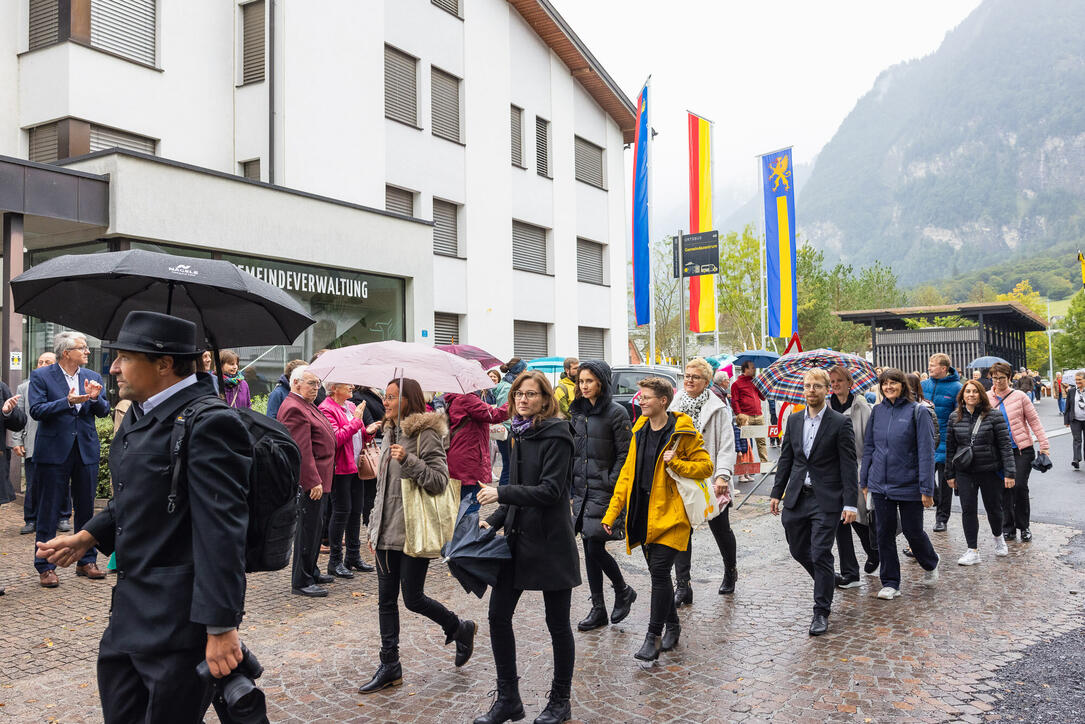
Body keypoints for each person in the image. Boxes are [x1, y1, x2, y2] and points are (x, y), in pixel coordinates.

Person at [37, 311, 251, 724]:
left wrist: (221, 626)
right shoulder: (141, 413)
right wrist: (88, 536)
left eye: (124, 357)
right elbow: (140, 493)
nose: (113, 368)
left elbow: (221, 532)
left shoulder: (210, 422)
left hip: (179, 622)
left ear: (164, 364)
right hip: (130, 613)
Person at [473, 370, 581, 724]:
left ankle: (560, 700)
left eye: (531, 394)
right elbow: (518, 488)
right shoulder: (520, 433)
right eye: (519, 393)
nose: (523, 399)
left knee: (558, 624)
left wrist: (501, 493)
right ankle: (508, 699)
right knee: (498, 616)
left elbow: (550, 491)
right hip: (518, 540)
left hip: (550, 542)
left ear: (545, 399)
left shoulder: (557, 435)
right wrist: (497, 517)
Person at [359, 377, 475, 694]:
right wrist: (372, 526)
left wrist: (408, 460)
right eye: (385, 396)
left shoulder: (425, 433)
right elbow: (382, 489)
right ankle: (390, 665)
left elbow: (439, 481)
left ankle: (459, 627)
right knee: (385, 601)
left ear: (409, 400)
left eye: (393, 397)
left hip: (413, 529)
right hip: (385, 531)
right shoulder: (388, 432)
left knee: (412, 599)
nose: (385, 401)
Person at [602, 377, 713, 662]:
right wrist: (612, 513)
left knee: (661, 573)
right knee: (659, 575)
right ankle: (673, 625)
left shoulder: (682, 432)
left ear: (663, 401)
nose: (641, 400)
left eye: (647, 397)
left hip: (673, 516)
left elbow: (705, 466)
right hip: (644, 514)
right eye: (641, 396)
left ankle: (653, 636)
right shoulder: (639, 430)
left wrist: (676, 462)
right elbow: (627, 475)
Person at [769, 369, 857, 636]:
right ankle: (827, 578)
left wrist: (851, 504)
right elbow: (786, 459)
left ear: (827, 389)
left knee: (820, 552)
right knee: (798, 550)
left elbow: (849, 465)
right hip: (797, 497)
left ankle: (821, 612)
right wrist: (776, 492)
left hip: (826, 499)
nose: (811, 390)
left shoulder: (840, 423)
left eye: (816, 386)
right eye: (807, 386)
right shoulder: (794, 421)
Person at [30, 331, 110, 588]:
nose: (87, 352)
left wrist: (95, 397)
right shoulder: (42, 376)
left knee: (86, 507)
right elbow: (36, 410)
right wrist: (66, 401)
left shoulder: (93, 377)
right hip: (53, 452)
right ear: (66, 353)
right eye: (82, 348)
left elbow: (103, 410)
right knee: (48, 508)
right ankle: (45, 565)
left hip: (85, 449)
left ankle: (86, 560)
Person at [568, 360, 636, 632]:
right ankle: (598, 608)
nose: (584, 386)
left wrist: (612, 481)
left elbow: (625, 453)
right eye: (581, 381)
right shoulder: (577, 413)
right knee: (588, 545)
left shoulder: (616, 413)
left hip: (606, 489)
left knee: (595, 545)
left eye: (589, 381)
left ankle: (623, 589)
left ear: (602, 382)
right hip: (583, 489)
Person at [862, 368, 939, 600]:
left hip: (909, 484)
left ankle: (930, 562)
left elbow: (927, 452)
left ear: (903, 385)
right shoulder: (877, 412)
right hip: (880, 484)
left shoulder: (918, 412)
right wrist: (864, 479)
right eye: (884, 384)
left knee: (912, 531)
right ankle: (891, 582)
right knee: (883, 533)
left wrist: (926, 488)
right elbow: (869, 448)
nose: (888, 387)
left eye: (893, 383)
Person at [671, 358, 738, 605]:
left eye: (695, 377)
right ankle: (683, 585)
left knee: (720, 529)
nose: (689, 380)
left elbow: (727, 446)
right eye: (687, 375)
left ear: (707, 381)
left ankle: (730, 571)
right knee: (681, 531)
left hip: (710, 479)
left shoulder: (718, 408)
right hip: (681, 477)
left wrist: (722, 475)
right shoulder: (675, 404)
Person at [278, 365, 337, 597]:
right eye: (312, 384)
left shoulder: (305, 405)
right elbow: (301, 449)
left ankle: (311, 569)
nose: (316, 388)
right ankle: (301, 579)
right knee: (308, 528)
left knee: (316, 526)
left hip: (322, 476)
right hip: (312, 480)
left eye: (318, 384)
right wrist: (312, 480)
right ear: (296, 383)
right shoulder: (294, 407)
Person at [945, 379, 1015, 565]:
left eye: (975, 391)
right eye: (967, 391)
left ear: (981, 395)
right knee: (968, 509)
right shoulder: (954, 417)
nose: (971, 395)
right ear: (962, 396)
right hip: (965, 471)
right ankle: (972, 550)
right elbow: (950, 448)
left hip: (989, 470)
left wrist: (1009, 472)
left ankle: (998, 537)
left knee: (993, 508)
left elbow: (1005, 446)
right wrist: (949, 474)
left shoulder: (994, 416)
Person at [319, 381, 381, 578]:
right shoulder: (326, 409)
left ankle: (353, 557)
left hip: (355, 465)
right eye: (347, 385)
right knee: (341, 512)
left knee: (356, 510)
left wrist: (368, 432)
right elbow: (336, 439)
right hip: (340, 468)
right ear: (334, 388)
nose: (352, 387)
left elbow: (357, 436)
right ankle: (335, 561)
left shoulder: (351, 406)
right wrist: (356, 422)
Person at [988, 361, 1050, 542]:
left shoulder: (1020, 396)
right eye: (994, 378)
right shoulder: (987, 398)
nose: (998, 382)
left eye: (1001, 378)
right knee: (1004, 489)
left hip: (1022, 449)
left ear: (1009, 378)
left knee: (1020, 486)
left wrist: (1044, 445)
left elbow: (1034, 421)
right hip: (998, 452)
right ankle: (1008, 527)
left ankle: (1024, 526)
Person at [827, 365, 877, 586]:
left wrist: (867, 473)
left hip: (856, 468)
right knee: (840, 521)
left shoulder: (862, 408)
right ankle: (850, 572)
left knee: (859, 517)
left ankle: (873, 551)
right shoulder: (825, 407)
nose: (836, 385)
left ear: (849, 383)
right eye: (832, 382)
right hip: (831, 472)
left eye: (839, 381)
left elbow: (869, 443)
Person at [443, 388, 509, 515]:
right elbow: (494, 415)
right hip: (468, 459)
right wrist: (512, 401)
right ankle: (466, 534)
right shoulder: (468, 398)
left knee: (461, 504)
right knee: (471, 503)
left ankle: (460, 533)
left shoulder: (457, 398)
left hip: (460, 456)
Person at [13, 351, 58, 535]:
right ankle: (30, 519)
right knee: (33, 484)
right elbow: (19, 416)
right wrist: (17, 440)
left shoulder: (61, 387)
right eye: (40, 362)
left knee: (58, 484)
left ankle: (61, 518)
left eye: (48, 362)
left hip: (57, 445)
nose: (43, 364)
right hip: (32, 443)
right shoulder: (25, 388)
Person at [921, 353, 961, 534]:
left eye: (932, 365)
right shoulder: (923, 386)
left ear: (944, 368)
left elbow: (959, 417)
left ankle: (941, 518)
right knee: (926, 479)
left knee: (946, 484)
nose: (929, 368)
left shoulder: (957, 388)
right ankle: (935, 499)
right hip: (925, 441)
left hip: (946, 442)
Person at [731, 360, 768, 464]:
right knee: (745, 442)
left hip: (758, 415)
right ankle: (745, 466)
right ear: (745, 369)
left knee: (762, 441)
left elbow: (763, 398)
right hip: (746, 416)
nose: (754, 369)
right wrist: (739, 415)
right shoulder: (736, 384)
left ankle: (764, 464)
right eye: (752, 367)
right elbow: (735, 401)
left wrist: (762, 386)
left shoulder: (755, 382)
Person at [488, 369, 513, 485]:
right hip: (501, 427)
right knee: (507, 462)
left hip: (499, 427)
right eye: (490, 376)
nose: (492, 378)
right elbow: (502, 412)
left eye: (494, 376)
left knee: (506, 461)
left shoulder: (501, 389)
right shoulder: (506, 388)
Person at [1065, 372, 1085, 469]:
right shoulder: (1071, 391)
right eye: (1076, 380)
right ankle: (1076, 459)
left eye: (1079, 380)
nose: (1077, 382)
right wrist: (1066, 421)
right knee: (1077, 440)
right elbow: (1067, 407)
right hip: (1075, 420)